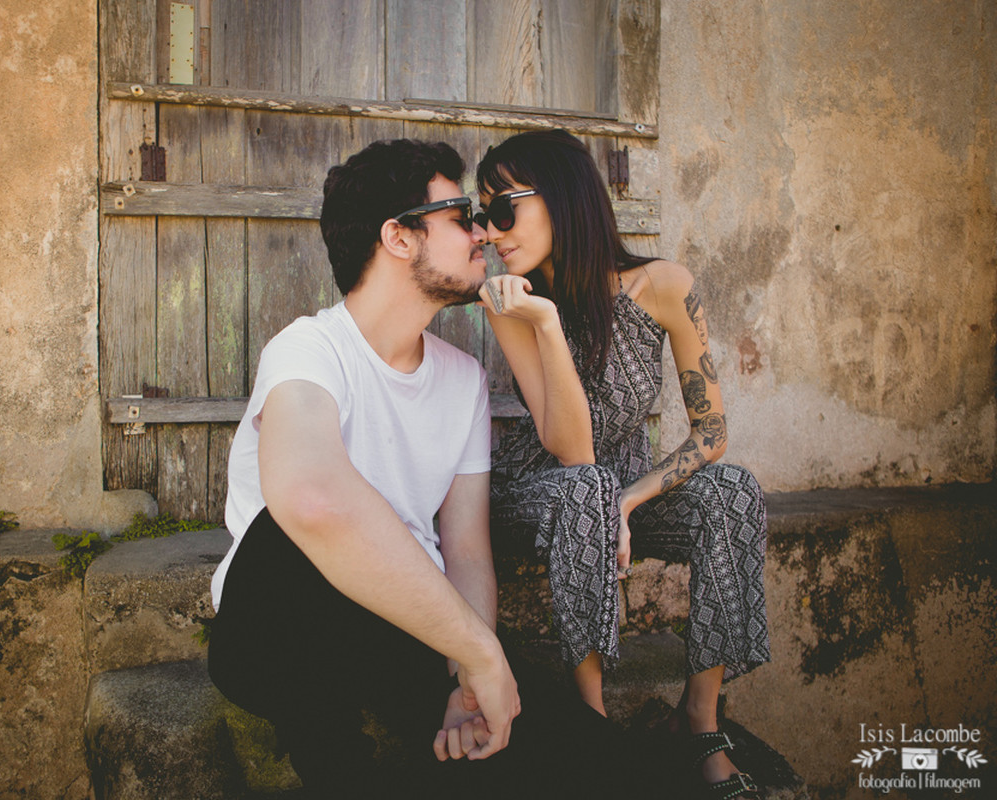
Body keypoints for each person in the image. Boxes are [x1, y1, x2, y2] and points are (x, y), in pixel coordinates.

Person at [207, 138, 639, 799]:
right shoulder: (308, 350)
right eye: (462, 215)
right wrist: (478, 652)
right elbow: (312, 499)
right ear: (399, 237)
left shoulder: (462, 380)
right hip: (276, 623)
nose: (483, 235)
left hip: (399, 628)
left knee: (586, 754)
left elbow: (465, 548)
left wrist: (466, 676)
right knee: (291, 533)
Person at [475, 129, 770, 799]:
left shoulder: (663, 285)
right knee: (584, 486)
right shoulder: (510, 305)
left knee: (731, 490)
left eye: (502, 209)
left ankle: (697, 722)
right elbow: (571, 451)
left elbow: (712, 431)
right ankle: (593, 730)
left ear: (563, 197)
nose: (491, 232)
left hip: (624, 483)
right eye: (483, 214)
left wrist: (629, 502)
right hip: (540, 488)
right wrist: (546, 324)